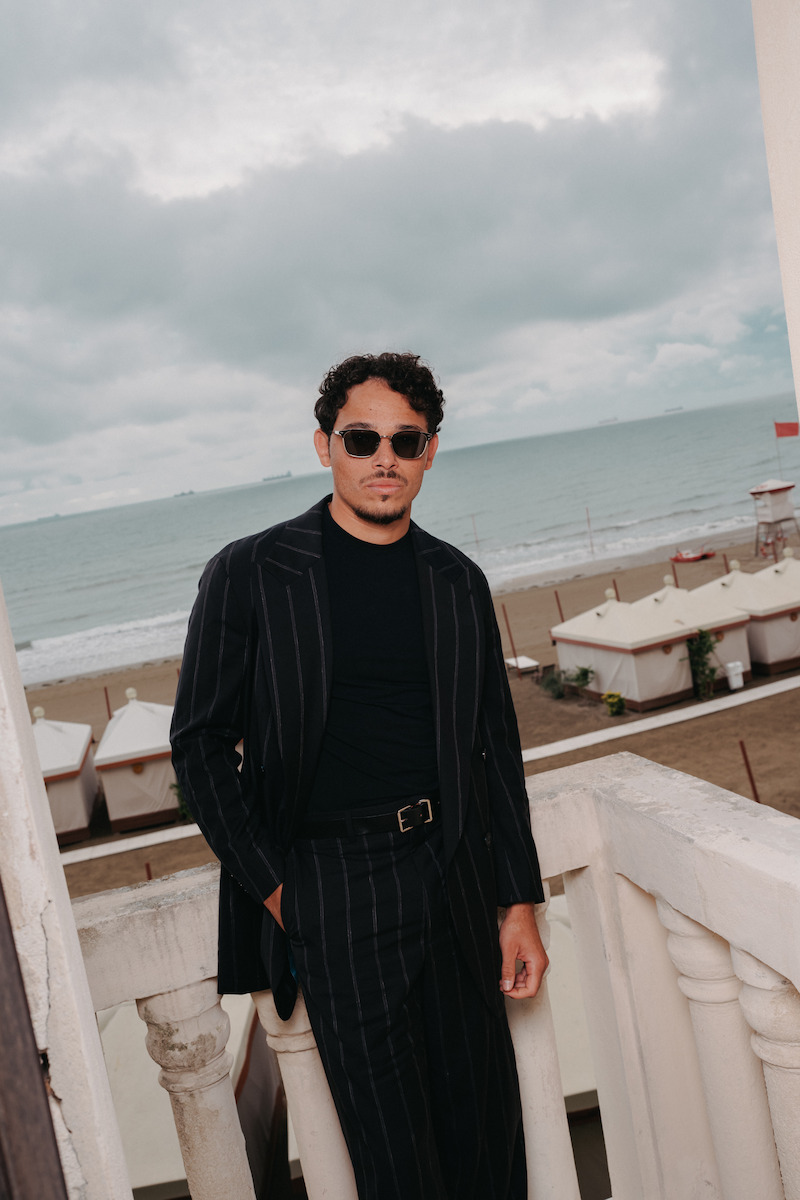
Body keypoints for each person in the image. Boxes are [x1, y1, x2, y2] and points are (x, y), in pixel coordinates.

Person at [170, 351, 548, 1199]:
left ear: (430, 452)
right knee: (395, 1160)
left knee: (487, 1140)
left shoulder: (457, 579)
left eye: (405, 440)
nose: (385, 457)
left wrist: (517, 903)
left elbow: (495, 750)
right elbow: (198, 744)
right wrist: (278, 890)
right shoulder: (253, 571)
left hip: (453, 873)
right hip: (334, 888)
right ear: (324, 446)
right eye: (362, 437)